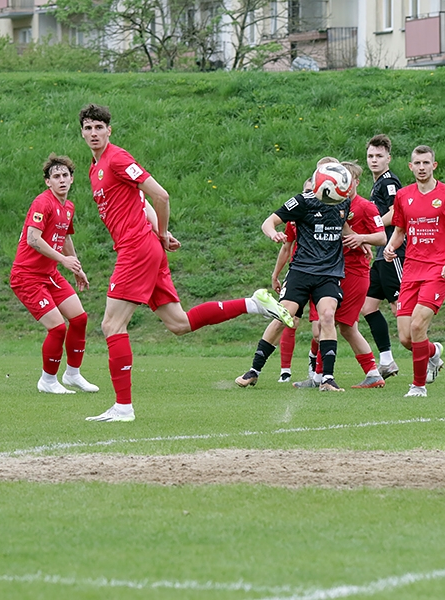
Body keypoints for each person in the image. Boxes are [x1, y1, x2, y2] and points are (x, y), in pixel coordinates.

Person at [79, 103, 293, 422]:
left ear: (110, 130)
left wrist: (161, 234)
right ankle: (254, 304)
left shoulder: (118, 159)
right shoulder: (94, 168)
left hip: (136, 249)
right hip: (145, 245)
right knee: (179, 324)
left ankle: (123, 407)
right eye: (88, 127)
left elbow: (160, 196)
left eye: (99, 127)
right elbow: (140, 203)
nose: (94, 133)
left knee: (112, 325)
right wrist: (160, 234)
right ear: (81, 132)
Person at [258, 161, 359, 392]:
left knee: (327, 317)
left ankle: (327, 379)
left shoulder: (343, 201)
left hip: (329, 274)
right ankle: (254, 370)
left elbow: (342, 227)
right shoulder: (302, 202)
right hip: (301, 271)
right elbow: (269, 222)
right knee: (284, 317)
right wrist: (274, 233)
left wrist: (361, 240)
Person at [383, 145, 445, 398]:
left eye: (426, 163)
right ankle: (433, 353)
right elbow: (400, 231)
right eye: (417, 163)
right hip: (412, 268)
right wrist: (390, 247)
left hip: (439, 269)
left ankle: (418, 386)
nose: (421, 167)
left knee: (418, 324)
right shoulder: (402, 196)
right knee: (405, 337)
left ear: (434, 165)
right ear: (410, 167)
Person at [293, 161, 388, 389]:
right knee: (328, 326)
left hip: (354, 273)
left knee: (337, 325)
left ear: (354, 182)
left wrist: (362, 239)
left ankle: (333, 376)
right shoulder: (331, 203)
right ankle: (329, 375)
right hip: (330, 271)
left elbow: (381, 237)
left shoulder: (364, 206)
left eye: (346, 180)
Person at [10, 154, 99, 395]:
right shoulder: (43, 203)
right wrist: (63, 260)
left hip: (49, 274)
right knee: (58, 328)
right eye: (55, 176)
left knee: (79, 319)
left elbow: (65, 237)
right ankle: (47, 381)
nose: (61, 180)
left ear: (71, 179)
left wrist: (77, 269)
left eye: (65, 175)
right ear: (48, 182)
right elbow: (33, 239)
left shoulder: (67, 207)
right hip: (27, 276)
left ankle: (73, 375)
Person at [361, 134, 404, 379]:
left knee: (401, 309)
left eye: (379, 156)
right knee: (368, 307)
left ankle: (430, 354)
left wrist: (370, 230)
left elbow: (395, 213)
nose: (374, 160)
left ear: (388, 158)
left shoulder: (389, 182)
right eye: (370, 156)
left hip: (392, 252)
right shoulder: (377, 183)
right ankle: (387, 360)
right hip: (380, 254)